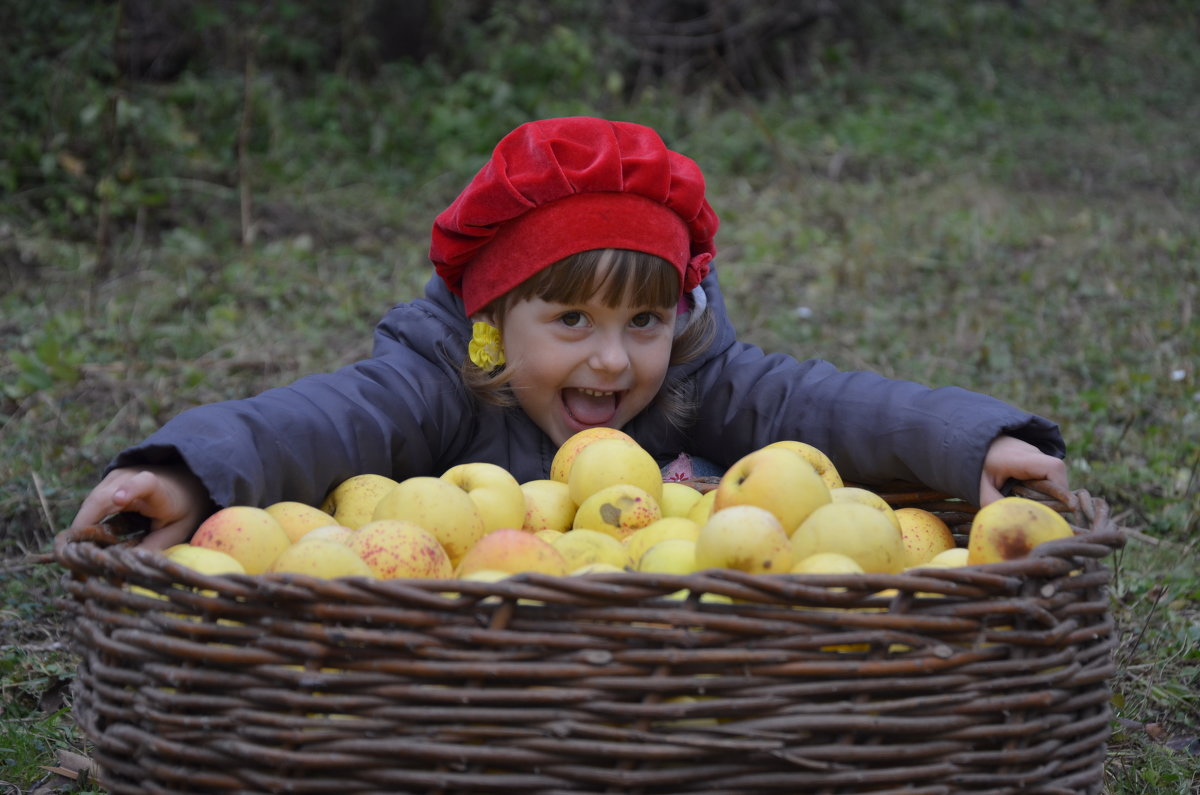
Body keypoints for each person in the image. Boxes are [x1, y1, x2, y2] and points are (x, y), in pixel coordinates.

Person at [69, 116, 1069, 550]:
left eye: (645, 319)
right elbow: (328, 418)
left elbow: (818, 403)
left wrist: (977, 442)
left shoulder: (690, 380)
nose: (612, 358)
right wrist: (193, 470)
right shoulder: (444, 382)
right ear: (496, 320)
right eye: (571, 320)